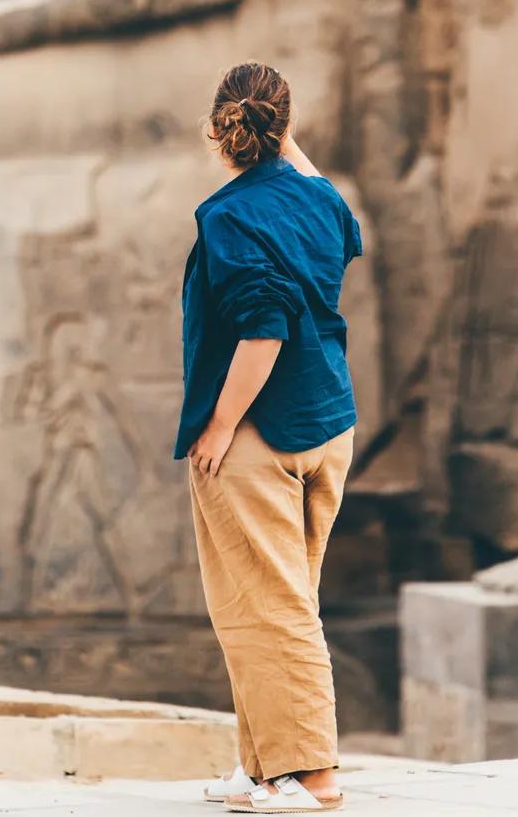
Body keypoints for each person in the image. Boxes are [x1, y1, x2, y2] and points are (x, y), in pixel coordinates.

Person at [183, 62, 358, 813]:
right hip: (328, 426)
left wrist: (219, 425)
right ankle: (263, 767)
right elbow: (329, 211)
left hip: (257, 437)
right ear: (285, 130)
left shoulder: (227, 215)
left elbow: (264, 325)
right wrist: (285, 140)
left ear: (216, 128)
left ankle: (311, 774)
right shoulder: (320, 201)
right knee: (270, 602)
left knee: (270, 607)